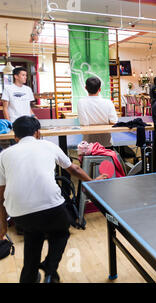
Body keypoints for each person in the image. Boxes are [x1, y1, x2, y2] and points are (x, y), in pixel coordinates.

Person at [0, 116, 106, 283]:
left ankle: (29, 277)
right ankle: (50, 270)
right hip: (51, 208)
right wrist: (93, 183)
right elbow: (75, 169)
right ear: (38, 133)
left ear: (15, 137)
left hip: (19, 213)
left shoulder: (4, 155)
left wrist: (3, 225)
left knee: (32, 237)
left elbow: (0, 193)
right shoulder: (48, 145)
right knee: (62, 231)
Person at [77, 77, 118, 148]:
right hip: (106, 142)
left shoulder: (81, 102)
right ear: (99, 89)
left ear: (85, 88)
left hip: (89, 144)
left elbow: (84, 123)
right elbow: (114, 121)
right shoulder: (108, 102)